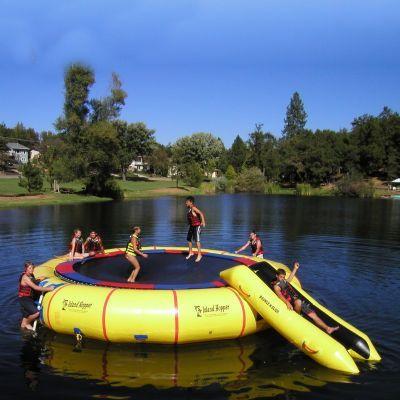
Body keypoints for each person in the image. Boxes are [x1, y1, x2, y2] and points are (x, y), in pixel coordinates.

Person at [272, 262, 339, 335]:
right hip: (292, 304)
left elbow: (290, 278)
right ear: (277, 276)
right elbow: (280, 295)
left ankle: (327, 328)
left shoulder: (284, 281)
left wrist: (295, 268)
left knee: (314, 315)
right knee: (298, 301)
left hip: (298, 302)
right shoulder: (276, 286)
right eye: (281, 277)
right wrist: (287, 303)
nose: (283, 279)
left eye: (284, 277)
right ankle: (296, 316)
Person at [18, 262, 54, 331]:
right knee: (36, 313)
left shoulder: (31, 275)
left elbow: (34, 281)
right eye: (30, 268)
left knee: (26, 317)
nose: (32, 270)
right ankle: (27, 323)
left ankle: (23, 329)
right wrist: (49, 288)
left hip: (29, 299)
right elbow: (35, 287)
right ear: (26, 269)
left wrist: (42, 279)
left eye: (32, 268)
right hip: (24, 299)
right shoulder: (25, 278)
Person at [185, 196, 206, 262]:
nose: (185, 203)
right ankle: (190, 252)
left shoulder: (193, 208)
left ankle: (199, 255)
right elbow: (191, 218)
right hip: (191, 226)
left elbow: (201, 213)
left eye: (187, 202)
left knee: (197, 240)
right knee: (189, 239)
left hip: (197, 226)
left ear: (191, 202)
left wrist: (203, 222)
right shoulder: (189, 209)